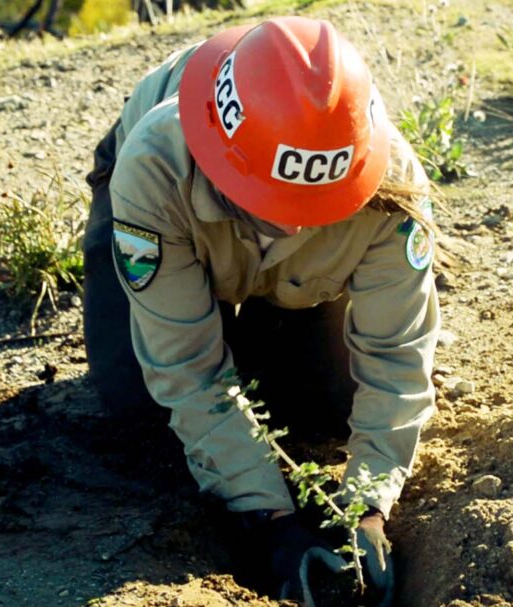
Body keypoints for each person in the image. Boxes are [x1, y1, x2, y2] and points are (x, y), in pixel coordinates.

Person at [82, 16, 439, 606]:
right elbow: (188, 372)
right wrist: (269, 519)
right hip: (165, 211)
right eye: (274, 205)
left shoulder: (391, 185)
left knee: (324, 402)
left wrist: (367, 507)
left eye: (317, 205)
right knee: (137, 401)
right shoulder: (154, 166)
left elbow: (397, 355)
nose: (296, 224)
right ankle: (231, 324)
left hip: (298, 279)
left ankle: (273, 324)